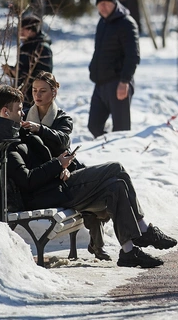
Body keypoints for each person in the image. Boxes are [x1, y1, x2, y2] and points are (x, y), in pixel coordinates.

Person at [0, 84, 176, 269]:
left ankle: (128, 252)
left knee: (116, 186)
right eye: (20, 110)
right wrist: (57, 165)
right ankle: (143, 230)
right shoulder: (7, 144)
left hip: (57, 185)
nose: (23, 114)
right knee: (115, 168)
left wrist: (62, 167)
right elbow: (27, 180)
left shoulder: (20, 133)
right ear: (6, 112)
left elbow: (43, 160)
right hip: (48, 195)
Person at [22, 71, 111, 261]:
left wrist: (40, 128)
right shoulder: (25, 117)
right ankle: (98, 244)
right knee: (89, 200)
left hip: (66, 169)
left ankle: (98, 243)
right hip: (46, 174)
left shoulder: (62, 118)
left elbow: (62, 141)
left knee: (91, 193)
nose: (37, 95)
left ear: (53, 93)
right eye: (34, 90)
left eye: (43, 91)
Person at [88, 0, 140, 138]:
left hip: (118, 83)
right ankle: (107, 148)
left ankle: (120, 157)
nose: (103, 7)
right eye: (100, 4)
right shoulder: (102, 23)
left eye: (107, 3)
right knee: (94, 126)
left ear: (114, 3)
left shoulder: (127, 23)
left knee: (121, 130)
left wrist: (124, 81)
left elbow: (133, 56)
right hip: (100, 84)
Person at [2, 14, 53, 108]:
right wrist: (11, 72)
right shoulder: (25, 47)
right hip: (22, 94)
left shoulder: (42, 48)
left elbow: (44, 75)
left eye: (23, 29)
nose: (20, 32)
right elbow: (21, 69)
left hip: (35, 96)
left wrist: (23, 75)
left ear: (31, 30)